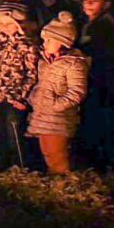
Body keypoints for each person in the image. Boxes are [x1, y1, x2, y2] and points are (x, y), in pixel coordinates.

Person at [0, 0, 40, 169]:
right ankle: (0, 162)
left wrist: (23, 97)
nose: (3, 27)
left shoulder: (27, 46)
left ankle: (19, 165)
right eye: (1, 23)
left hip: (14, 97)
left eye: (8, 23)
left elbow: (32, 73)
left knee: (14, 131)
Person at [26, 12, 90, 174]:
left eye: (49, 40)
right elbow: (41, 83)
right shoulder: (45, 62)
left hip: (58, 119)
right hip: (43, 115)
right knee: (47, 152)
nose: (45, 43)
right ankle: (53, 182)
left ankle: (63, 185)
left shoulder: (73, 64)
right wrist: (34, 97)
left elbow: (76, 91)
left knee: (57, 155)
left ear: (62, 43)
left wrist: (57, 104)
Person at [78, 0, 114, 168]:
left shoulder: (105, 26)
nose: (88, 4)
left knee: (102, 119)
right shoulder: (87, 23)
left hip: (103, 81)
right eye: (86, 0)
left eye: (94, 1)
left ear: (106, 4)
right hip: (95, 78)